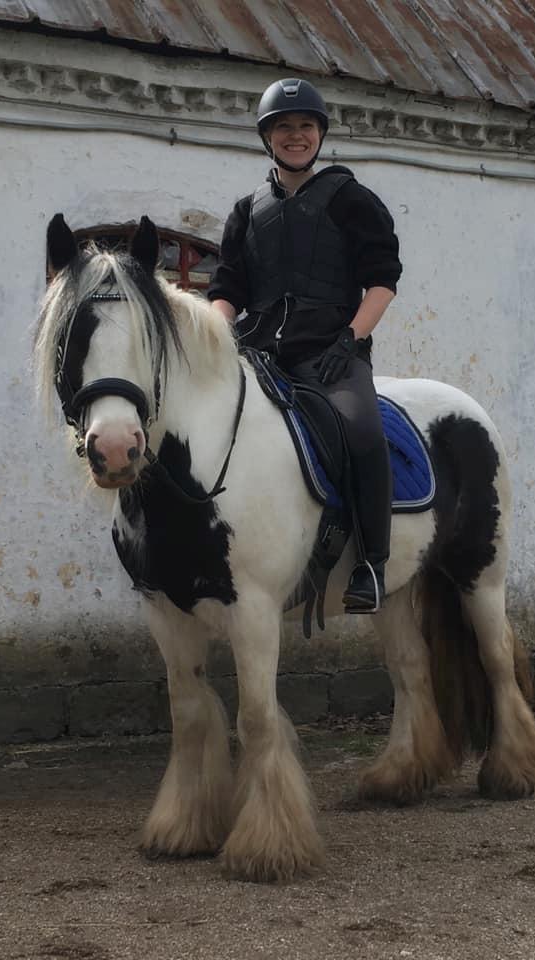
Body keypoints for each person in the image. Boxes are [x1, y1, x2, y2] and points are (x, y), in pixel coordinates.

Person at [208, 77, 402, 613]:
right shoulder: (247, 211)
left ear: (319, 135)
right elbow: (227, 289)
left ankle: (371, 564)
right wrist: (217, 334)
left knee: (363, 431)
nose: (296, 136)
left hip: (332, 352)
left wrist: (351, 338)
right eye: (284, 128)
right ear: (267, 137)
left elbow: (382, 281)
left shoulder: (351, 200)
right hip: (261, 352)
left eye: (306, 126)